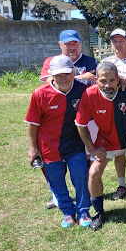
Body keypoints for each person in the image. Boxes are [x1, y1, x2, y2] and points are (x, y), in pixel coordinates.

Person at [75, 61, 126, 229]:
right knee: (93, 173)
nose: (107, 85)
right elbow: (80, 124)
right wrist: (91, 148)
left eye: (111, 80)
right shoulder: (89, 94)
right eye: (103, 81)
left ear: (118, 79)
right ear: (96, 80)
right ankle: (99, 212)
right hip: (105, 142)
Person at [25, 55, 91, 228]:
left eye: (67, 73)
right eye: (58, 74)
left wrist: (123, 81)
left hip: (76, 145)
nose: (63, 78)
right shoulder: (40, 94)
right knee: (56, 182)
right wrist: (33, 148)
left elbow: (106, 83)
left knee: (81, 178)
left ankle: (84, 211)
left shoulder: (84, 88)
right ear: (51, 74)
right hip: (49, 147)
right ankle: (68, 213)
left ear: (74, 72)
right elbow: (32, 123)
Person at [38, 29, 99, 208]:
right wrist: (81, 76)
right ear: (60, 45)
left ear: (80, 44)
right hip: (56, 118)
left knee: (82, 158)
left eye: (75, 43)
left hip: (82, 117)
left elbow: (96, 80)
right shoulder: (51, 61)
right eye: (68, 44)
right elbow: (48, 80)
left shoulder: (90, 61)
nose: (72, 47)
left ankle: (85, 193)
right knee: (56, 162)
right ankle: (57, 194)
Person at [101, 28, 126, 200]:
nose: (118, 44)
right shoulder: (105, 61)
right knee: (118, 152)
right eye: (115, 41)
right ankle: (122, 184)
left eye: (121, 41)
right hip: (111, 113)